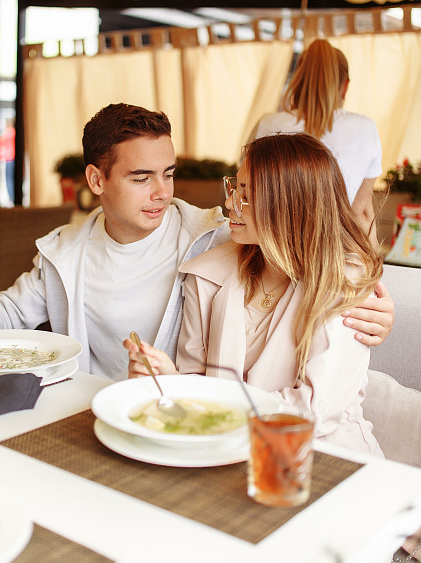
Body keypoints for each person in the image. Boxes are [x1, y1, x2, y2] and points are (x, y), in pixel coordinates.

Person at [0, 104, 393, 381]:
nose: (162, 192)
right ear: (96, 180)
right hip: (88, 407)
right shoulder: (66, 253)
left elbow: (303, 239)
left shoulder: (214, 235)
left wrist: (373, 298)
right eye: (141, 178)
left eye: (168, 173)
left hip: (169, 412)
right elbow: (12, 311)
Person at [126, 134, 384, 454]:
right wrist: (170, 378)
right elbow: (195, 383)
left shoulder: (346, 282)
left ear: (290, 203)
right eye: (234, 187)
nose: (230, 203)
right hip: (229, 450)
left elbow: (314, 410)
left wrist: (210, 402)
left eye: (246, 195)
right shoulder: (204, 276)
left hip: (328, 456)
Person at [251, 39, 382, 246]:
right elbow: (362, 211)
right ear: (345, 85)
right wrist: (372, 268)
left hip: (274, 251)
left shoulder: (267, 124)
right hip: (334, 254)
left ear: (299, 79)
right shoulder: (364, 128)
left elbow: (249, 194)